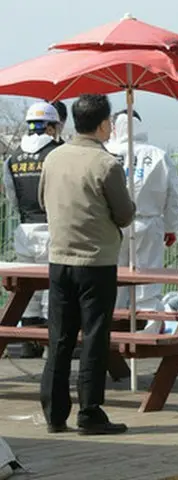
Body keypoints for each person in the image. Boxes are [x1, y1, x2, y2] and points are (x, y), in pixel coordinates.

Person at [38, 94, 135, 435]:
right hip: (96, 260)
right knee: (94, 336)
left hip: (59, 258)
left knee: (59, 337)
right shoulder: (107, 164)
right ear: (104, 123)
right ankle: (90, 412)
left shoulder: (53, 158)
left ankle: (53, 412)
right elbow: (124, 215)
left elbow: (40, 199)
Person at [105, 110, 178, 319]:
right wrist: (170, 227)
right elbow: (173, 194)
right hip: (149, 222)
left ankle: (114, 326)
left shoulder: (106, 152)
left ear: (114, 127)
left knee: (114, 281)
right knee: (148, 280)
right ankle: (149, 326)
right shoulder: (158, 155)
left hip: (113, 225)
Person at [2, 102, 63, 358]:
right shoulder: (58, 153)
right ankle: (52, 347)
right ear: (50, 126)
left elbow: (12, 196)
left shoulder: (12, 157)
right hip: (53, 228)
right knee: (53, 287)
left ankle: (28, 344)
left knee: (28, 290)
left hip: (25, 229)